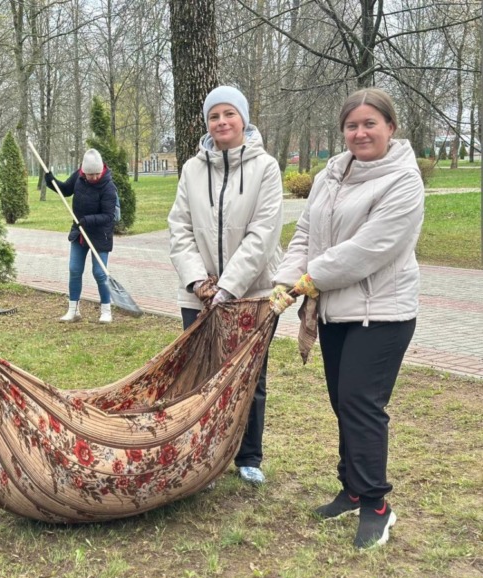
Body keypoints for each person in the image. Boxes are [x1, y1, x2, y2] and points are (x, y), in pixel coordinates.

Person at [270, 88, 424, 549]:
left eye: (370, 123)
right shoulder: (331, 175)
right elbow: (305, 233)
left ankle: (377, 504)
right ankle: (352, 490)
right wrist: (285, 279)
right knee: (343, 402)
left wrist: (310, 279)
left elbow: (370, 249)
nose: (360, 133)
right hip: (335, 309)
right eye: (352, 125)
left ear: (390, 127)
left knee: (361, 403)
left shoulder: (403, 181)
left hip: (382, 313)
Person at [168, 86, 284, 486]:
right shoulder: (192, 169)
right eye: (214, 116)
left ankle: (248, 455)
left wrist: (228, 287)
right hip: (198, 295)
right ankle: (207, 454)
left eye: (229, 114)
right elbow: (179, 228)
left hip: (252, 293)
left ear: (243, 118)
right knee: (202, 375)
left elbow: (263, 233)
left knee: (250, 376)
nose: (222, 122)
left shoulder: (265, 168)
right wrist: (198, 281)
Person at [44, 148, 118, 324]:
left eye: (96, 174)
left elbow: (109, 216)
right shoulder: (79, 176)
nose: (93, 177)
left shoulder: (108, 186)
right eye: (90, 174)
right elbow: (65, 190)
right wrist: (51, 181)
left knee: (99, 273)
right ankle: (73, 310)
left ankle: (106, 310)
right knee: (74, 269)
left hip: (100, 234)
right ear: (84, 171)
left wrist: (86, 220)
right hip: (79, 232)